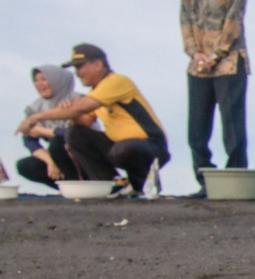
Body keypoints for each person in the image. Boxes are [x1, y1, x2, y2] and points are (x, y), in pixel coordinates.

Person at [16, 44, 170, 195]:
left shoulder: (117, 82)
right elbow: (84, 122)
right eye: (75, 69)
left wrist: (35, 118)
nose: (77, 73)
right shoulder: (95, 92)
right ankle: (109, 184)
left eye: (80, 67)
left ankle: (142, 186)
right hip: (119, 147)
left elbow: (81, 107)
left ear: (98, 64)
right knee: (75, 133)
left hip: (150, 146)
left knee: (124, 149)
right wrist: (73, 115)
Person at [180, 0, 249, 198]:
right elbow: (185, 23)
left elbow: (234, 20)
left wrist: (215, 55)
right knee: (196, 128)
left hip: (229, 62)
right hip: (198, 66)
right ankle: (204, 180)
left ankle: (236, 180)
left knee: (232, 125)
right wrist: (194, 53)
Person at [15, 64, 85, 190]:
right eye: (36, 80)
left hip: (84, 154)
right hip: (59, 157)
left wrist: (42, 131)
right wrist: (50, 161)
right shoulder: (35, 108)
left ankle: (81, 185)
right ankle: (67, 188)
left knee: (57, 144)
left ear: (57, 80)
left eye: (43, 79)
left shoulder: (77, 100)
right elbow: (29, 140)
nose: (39, 84)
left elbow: (71, 134)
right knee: (25, 165)